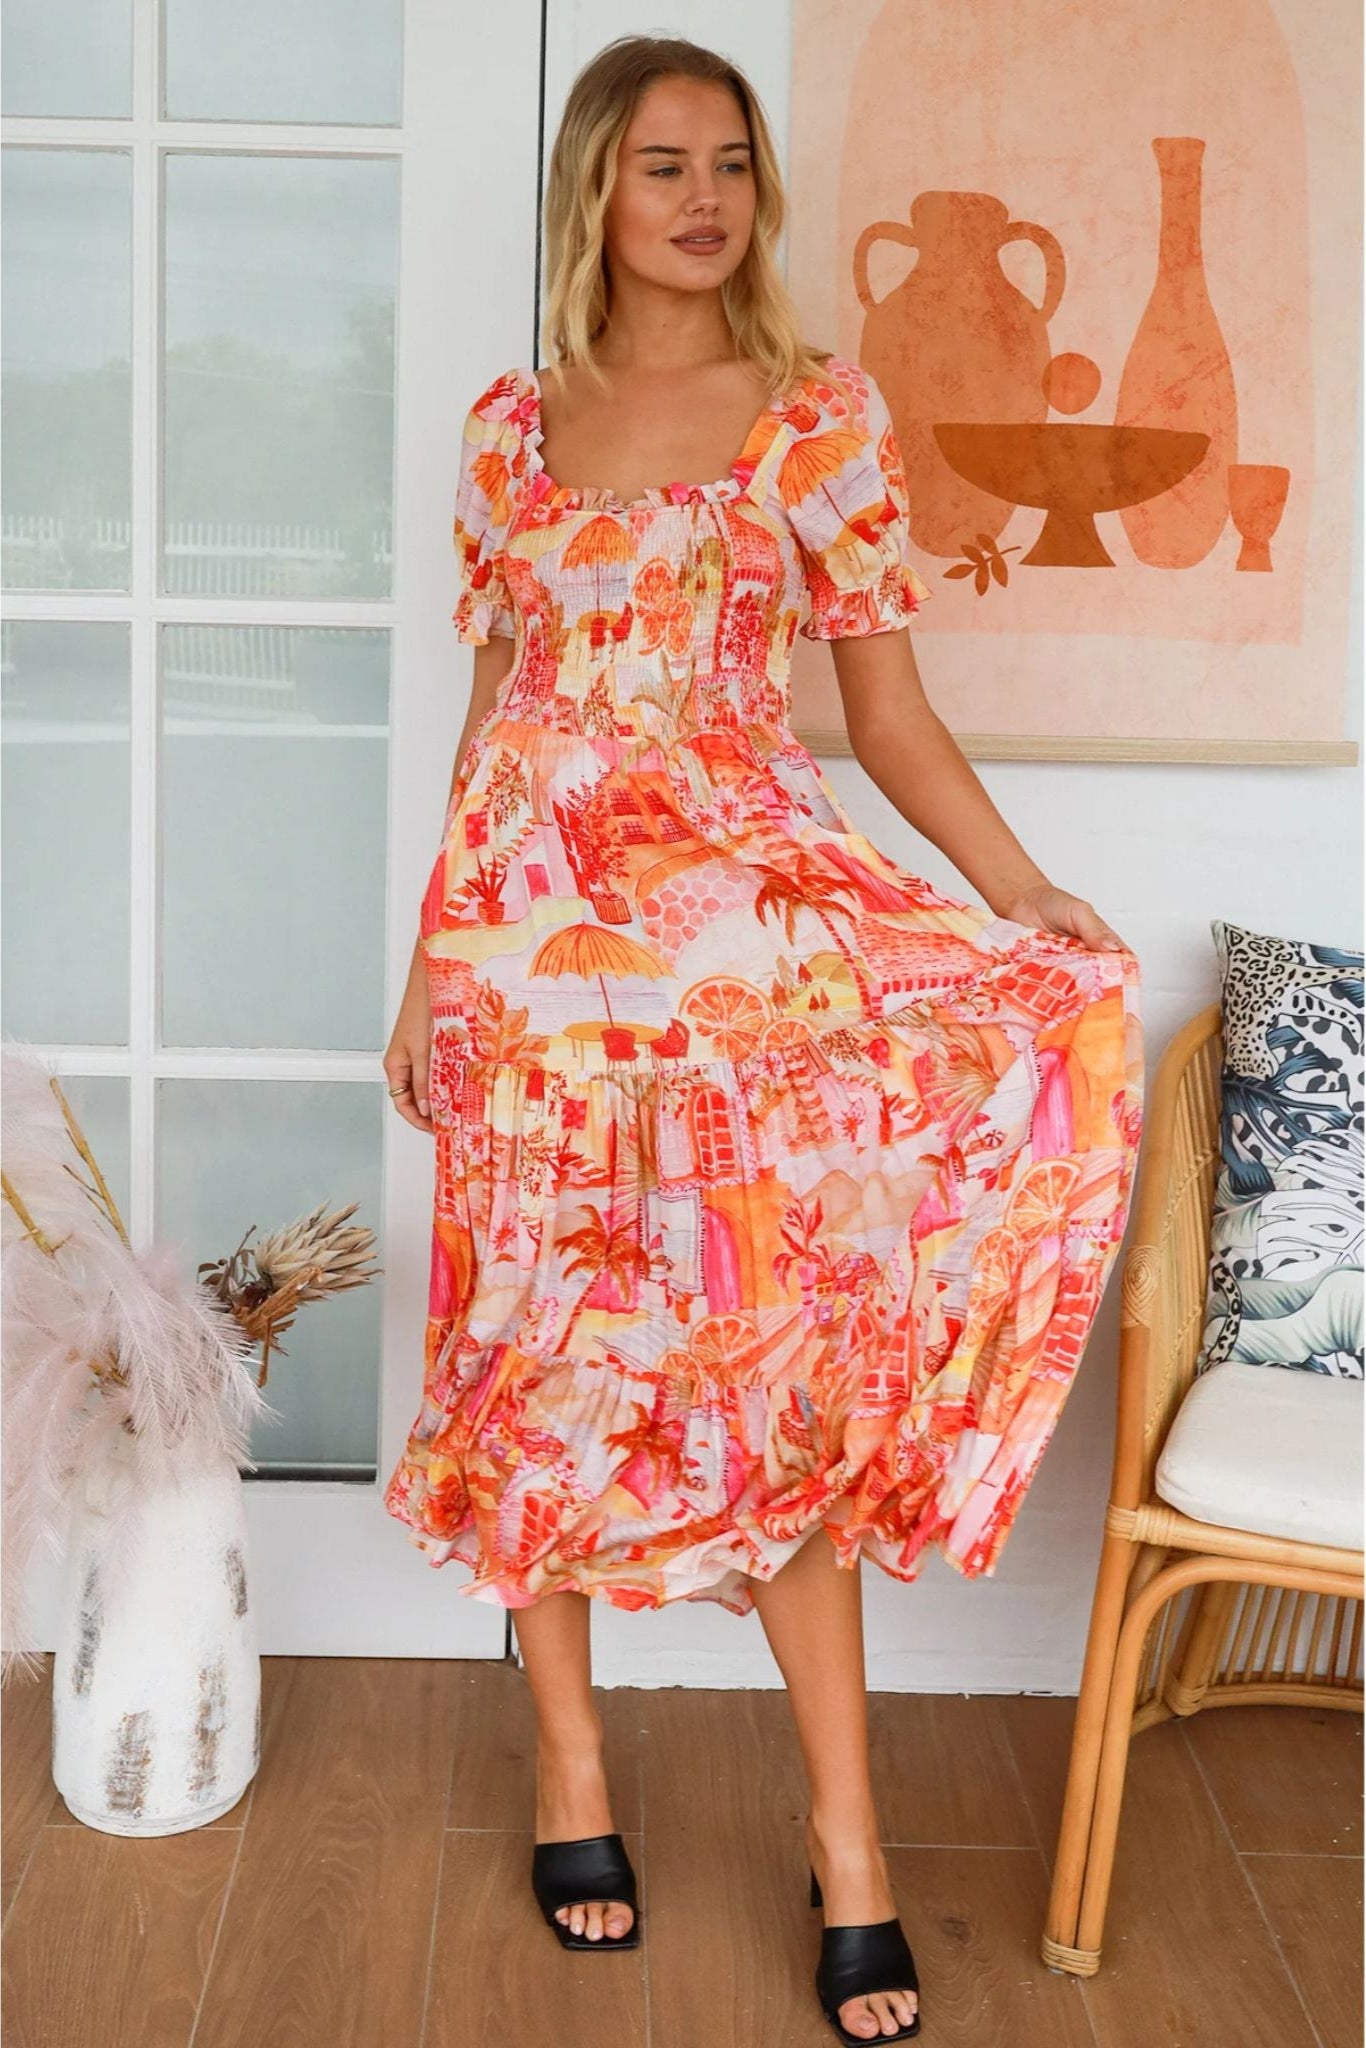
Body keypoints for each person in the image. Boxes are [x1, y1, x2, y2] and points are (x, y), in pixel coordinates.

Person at [382, 33, 1144, 2046]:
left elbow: (875, 718)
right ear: (593, 199)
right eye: (660, 166)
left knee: (776, 1373)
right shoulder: (505, 430)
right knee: (529, 1363)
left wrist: (1015, 895)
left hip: (729, 968)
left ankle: (853, 1847)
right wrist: (421, 964)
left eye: (728, 162)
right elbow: (497, 725)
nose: (702, 195)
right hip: (526, 978)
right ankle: (570, 1776)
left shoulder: (814, 417)